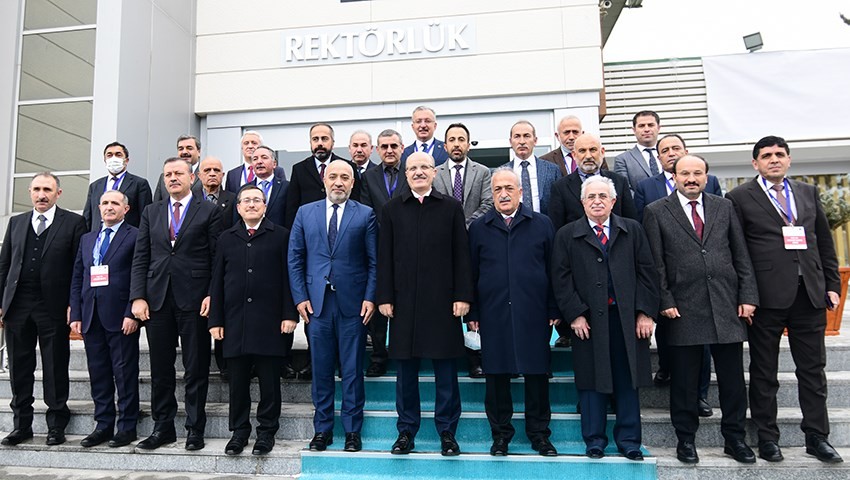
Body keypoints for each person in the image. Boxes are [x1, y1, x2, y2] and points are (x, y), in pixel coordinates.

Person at [726, 135, 843, 464]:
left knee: (813, 371)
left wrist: (831, 283)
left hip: (809, 294)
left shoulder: (807, 192)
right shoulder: (739, 197)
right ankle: (767, 438)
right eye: (766, 155)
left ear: (789, 159)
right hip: (765, 298)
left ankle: (817, 437)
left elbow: (823, 241)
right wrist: (746, 295)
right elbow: (738, 251)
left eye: (779, 154)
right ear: (755, 163)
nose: (774, 159)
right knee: (764, 372)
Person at [643, 155, 759, 464]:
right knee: (684, 382)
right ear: (674, 177)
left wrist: (748, 296)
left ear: (706, 177)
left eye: (697, 173)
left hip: (726, 305)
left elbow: (741, 254)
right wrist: (665, 301)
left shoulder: (724, 207)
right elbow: (656, 263)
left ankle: (735, 439)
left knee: (733, 382)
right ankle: (686, 440)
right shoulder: (656, 211)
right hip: (682, 309)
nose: (691, 178)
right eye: (685, 173)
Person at [551, 175, 659, 461]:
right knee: (590, 382)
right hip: (587, 321)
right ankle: (594, 440)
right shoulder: (567, 234)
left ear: (613, 201)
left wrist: (645, 312)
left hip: (626, 320)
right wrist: (574, 315)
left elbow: (648, 274)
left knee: (628, 379)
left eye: (602, 196)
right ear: (582, 202)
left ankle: (629, 441)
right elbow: (560, 279)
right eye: (591, 197)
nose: (597, 201)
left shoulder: (632, 230)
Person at [377, 152, 473, 456]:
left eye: (424, 167)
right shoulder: (392, 209)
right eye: (413, 168)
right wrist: (385, 297)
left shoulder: (451, 207)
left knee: (446, 371)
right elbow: (384, 256)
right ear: (405, 174)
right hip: (403, 302)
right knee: (405, 372)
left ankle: (447, 432)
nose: (418, 172)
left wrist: (463, 296)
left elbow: (462, 254)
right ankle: (406, 431)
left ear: (434, 172)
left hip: (443, 302)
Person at [130, 157, 222, 451]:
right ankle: (163, 427)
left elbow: (217, 257)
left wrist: (212, 294)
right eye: (168, 174)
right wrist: (137, 296)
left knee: (196, 367)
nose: (172, 178)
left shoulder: (209, 210)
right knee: (160, 369)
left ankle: (195, 428)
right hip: (157, 299)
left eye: (178, 173)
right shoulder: (151, 211)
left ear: (192, 178)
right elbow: (141, 256)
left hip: (194, 298)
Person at [468, 168, 560, 457]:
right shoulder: (479, 227)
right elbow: (471, 272)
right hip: (493, 312)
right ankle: (500, 435)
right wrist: (473, 312)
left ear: (521, 192)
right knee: (496, 376)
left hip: (534, 311)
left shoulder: (542, 224)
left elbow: (554, 269)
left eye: (509, 188)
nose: (504, 194)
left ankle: (539, 435)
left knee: (537, 373)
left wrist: (553, 307)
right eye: (498, 189)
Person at [289, 160, 378, 453]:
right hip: (317, 305)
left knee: (352, 370)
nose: (338, 182)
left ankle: (352, 431)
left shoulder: (365, 214)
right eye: (333, 176)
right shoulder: (305, 212)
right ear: (324, 180)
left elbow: (374, 261)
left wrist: (370, 297)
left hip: (353, 304)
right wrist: (300, 297)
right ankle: (323, 430)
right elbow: (295, 258)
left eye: (345, 177)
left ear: (352, 183)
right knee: (321, 369)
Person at [634, 134, 720, 417]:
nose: (671, 153)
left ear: (685, 151)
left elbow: (717, 225)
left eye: (676, 148)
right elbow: (643, 231)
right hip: (667, 276)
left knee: (703, 341)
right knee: (669, 333)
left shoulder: (710, 182)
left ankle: (701, 395)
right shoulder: (647, 187)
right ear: (658, 157)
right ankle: (666, 368)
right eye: (665, 150)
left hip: (704, 279)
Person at [209, 184, 298, 456]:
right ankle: (239, 432)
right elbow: (217, 281)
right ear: (238, 207)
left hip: (269, 322)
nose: (251, 204)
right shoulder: (226, 238)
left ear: (265, 206)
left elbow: (288, 277)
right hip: (234, 321)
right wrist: (216, 320)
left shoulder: (280, 235)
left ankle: (266, 432)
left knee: (270, 382)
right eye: (246, 200)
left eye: (256, 200)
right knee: (237, 383)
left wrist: (289, 314)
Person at [0, 173, 86, 446]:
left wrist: (75, 304)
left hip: (54, 307)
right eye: (37, 189)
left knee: (55, 366)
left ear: (58, 193)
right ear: (29, 191)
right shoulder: (16, 223)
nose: (41, 194)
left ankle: (56, 425)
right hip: (18, 305)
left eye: (47, 189)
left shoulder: (73, 223)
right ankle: (21, 426)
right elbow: (4, 265)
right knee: (19, 368)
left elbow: (79, 268)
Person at [69, 190, 141, 448]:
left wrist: (131, 312)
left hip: (121, 317)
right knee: (98, 374)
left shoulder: (135, 236)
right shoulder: (88, 238)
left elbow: (138, 275)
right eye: (105, 203)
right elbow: (78, 276)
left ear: (126, 209)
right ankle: (103, 425)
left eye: (115, 203)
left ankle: (127, 427)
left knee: (124, 373)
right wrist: (76, 313)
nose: (109, 207)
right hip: (91, 316)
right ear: (98, 207)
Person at [432, 122, 493, 378]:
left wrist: (462, 226)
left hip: (475, 243)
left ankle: (476, 357)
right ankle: (448, 352)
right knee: (448, 300)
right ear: (445, 145)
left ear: (468, 144)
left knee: (474, 300)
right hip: (443, 249)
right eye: (452, 140)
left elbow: (488, 203)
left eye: (461, 139)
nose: (457, 144)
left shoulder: (483, 172)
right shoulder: (434, 173)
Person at [359, 129, 410, 378]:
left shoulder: (411, 171)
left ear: (402, 148)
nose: (389, 150)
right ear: (377, 150)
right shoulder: (368, 177)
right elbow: (366, 211)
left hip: (407, 248)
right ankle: (378, 357)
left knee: (404, 304)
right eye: (384, 146)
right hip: (377, 248)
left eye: (394, 146)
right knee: (379, 305)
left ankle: (403, 353)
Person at [548, 133, 636, 231]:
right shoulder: (560, 187)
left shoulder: (619, 182)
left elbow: (630, 222)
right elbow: (557, 227)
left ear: (602, 152)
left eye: (593, 150)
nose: (588, 156)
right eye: (582, 151)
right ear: (574, 155)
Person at [284, 123, 362, 229]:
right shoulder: (299, 169)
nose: (320, 143)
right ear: (310, 143)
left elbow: (356, 201)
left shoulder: (348, 167)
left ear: (333, 142)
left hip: (343, 226)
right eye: (315, 139)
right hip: (309, 228)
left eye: (324, 139)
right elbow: (292, 207)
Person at [82, 141, 152, 231]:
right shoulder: (95, 186)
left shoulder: (139, 184)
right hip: (98, 235)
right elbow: (88, 216)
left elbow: (145, 216)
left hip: (127, 236)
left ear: (126, 160)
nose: (113, 158)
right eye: (109, 155)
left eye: (118, 155)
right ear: (105, 160)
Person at [500, 121, 560, 215]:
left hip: (545, 222)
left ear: (535, 140)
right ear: (510, 142)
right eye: (517, 136)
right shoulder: (501, 173)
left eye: (526, 136)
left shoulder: (552, 170)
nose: (522, 142)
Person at [613, 110, 663, 192]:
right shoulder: (623, 160)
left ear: (658, 128)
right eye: (641, 126)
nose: (646, 129)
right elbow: (625, 191)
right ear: (634, 130)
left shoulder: (669, 155)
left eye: (650, 125)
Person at [154, 135, 204, 201]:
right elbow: (157, 204)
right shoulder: (164, 177)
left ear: (199, 152)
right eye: (181, 149)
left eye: (189, 148)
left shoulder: (205, 175)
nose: (184, 152)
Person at [250, 146, 289, 227]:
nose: (259, 161)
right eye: (255, 159)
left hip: (279, 233)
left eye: (264, 158)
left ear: (274, 164)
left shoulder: (286, 187)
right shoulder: (244, 190)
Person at [198, 156, 237, 230]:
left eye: (216, 170)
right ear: (199, 175)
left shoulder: (233, 199)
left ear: (222, 175)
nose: (212, 174)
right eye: (207, 170)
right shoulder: (191, 198)